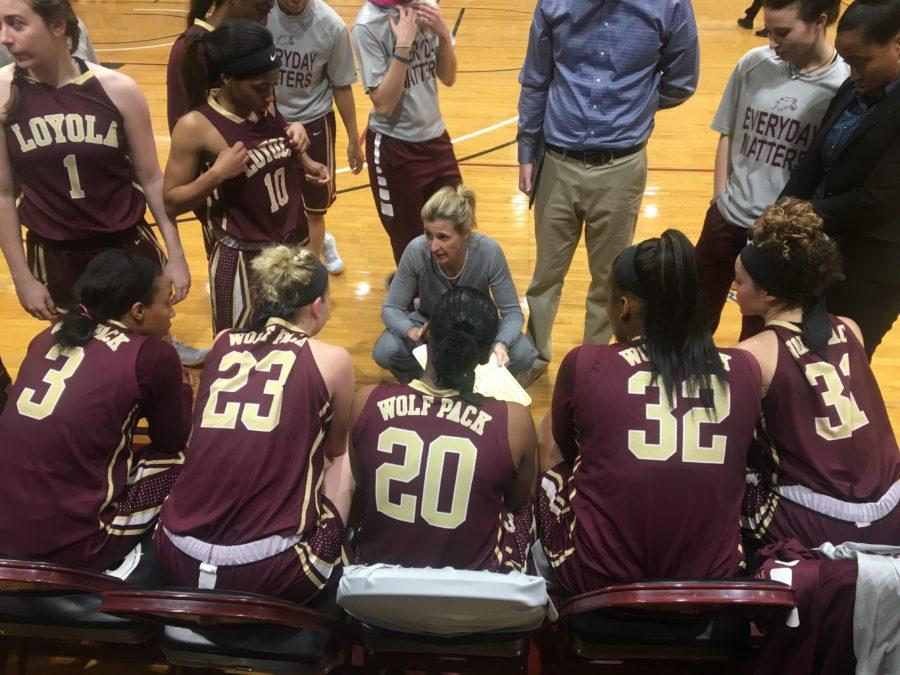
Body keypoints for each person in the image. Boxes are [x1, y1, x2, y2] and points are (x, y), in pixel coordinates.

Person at [537, 230, 763, 595]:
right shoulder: (746, 368)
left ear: (623, 305)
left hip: (601, 580)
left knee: (549, 429)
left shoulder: (586, 362)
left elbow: (564, 447)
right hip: (710, 582)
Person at [156, 245, 355, 602]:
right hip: (269, 571)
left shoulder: (222, 341)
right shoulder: (334, 359)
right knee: (345, 459)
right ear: (316, 306)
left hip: (175, 555)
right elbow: (335, 449)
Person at [516, 0, 700, 385]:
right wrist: (526, 150)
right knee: (545, 274)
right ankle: (534, 353)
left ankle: (594, 364)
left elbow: (681, 81)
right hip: (557, 160)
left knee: (610, 281)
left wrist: (634, 103)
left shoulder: (670, 6)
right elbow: (536, 78)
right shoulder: (553, 3)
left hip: (622, 166)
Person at [0, 250, 191, 575]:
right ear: (138, 311)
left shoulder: (47, 335)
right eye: (167, 302)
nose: (172, 313)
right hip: (72, 549)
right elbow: (173, 440)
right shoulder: (153, 356)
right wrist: (183, 385)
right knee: (180, 462)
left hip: (7, 532)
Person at [0, 0, 190, 324]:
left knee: (146, 353)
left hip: (126, 247)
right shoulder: (3, 93)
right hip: (56, 256)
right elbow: (3, 193)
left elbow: (151, 177)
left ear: (58, 24)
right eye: (1, 24)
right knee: (85, 363)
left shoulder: (118, 89)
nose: (4, 37)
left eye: (16, 23)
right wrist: (22, 277)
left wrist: (177, 255)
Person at [733, 199, 899, 549]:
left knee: (725, 471)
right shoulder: (850, 328)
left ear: (769, 293)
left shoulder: (751, 354)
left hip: (823, 524)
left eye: (739, 281)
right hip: (892, 509)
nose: (734, 289)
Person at [352, 286, 537, 573]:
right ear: (485, 354)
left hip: (378, 591)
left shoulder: (367, 401)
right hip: (468, 595)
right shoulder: (515, 421)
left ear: (426, 331)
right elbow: (515, 503)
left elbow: (362, 484)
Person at [163, 19, 328, 332]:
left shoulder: (262, 103)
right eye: (261, 87)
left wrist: (302, 154)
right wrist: (215, 175)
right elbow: (170, 201)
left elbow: (274, 143)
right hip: (242, 259)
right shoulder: (195, 126)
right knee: (236, 355)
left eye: (272, 84)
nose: (269, 94)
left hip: (288, 247)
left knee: (291, 347)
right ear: (226, 78)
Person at [698, 0, 847, 336]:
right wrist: (719, 198)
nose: (772, 42)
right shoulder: (753, 63)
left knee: (759, 334)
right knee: (695, 317)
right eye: (769, 30)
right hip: (726, 218)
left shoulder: (843, 86)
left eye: (783, 33)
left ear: (819, 22)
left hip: (779, 235)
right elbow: (728, 131)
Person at [780, 0, 900, 358]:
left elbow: (879, 199)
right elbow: (813, 159)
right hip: (818, 251)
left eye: (861, 62)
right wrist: (784, 205)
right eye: (848, 62)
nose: (852, 73)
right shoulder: (856, 88)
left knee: (837, 365)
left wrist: (797, 216)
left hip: (868, 271)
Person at [373, 185, 538, 383]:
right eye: (428, 234)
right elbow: (391, 308)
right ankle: (423, 386)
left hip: (478, 326)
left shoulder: (489, 251)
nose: (434, 246)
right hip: (431, 324)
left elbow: (512, 312)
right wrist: (412, 331)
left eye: (443, 237)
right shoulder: (416, 250)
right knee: (386, 350)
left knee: (523, 353)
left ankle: (482, 390)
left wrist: (500, 343)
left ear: (466, 232)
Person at [351, 0, 461, 266]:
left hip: (436, 138)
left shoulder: (426, 5)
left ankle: (449, 294)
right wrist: (402, 48)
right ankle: (415, 300)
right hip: (394, 147)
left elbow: (448, 77)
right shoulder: (367, 24)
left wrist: (443, 35)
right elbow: (384, 104)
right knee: (410, 241)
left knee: (455, 225)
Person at [268, 0, 364, 273]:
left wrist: (354, 141)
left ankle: (310, 276)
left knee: (315, 208)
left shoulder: (332, 26)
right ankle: (317, 244)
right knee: (276, 203)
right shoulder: (261, 14)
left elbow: (342, 87)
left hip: (314, 122)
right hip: (270, 120)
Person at [166, 0, 274, 133]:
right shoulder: (192, 49)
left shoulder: (251, 42)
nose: (264, 21)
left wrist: (287, 129)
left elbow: (267, 112)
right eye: (261, 8)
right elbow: (181, 132)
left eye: (268, 11)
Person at [0, 15, 95, 66]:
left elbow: (79, 78)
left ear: (57, 25)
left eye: (17, 23)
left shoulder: (70, 26)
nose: (3, 39)